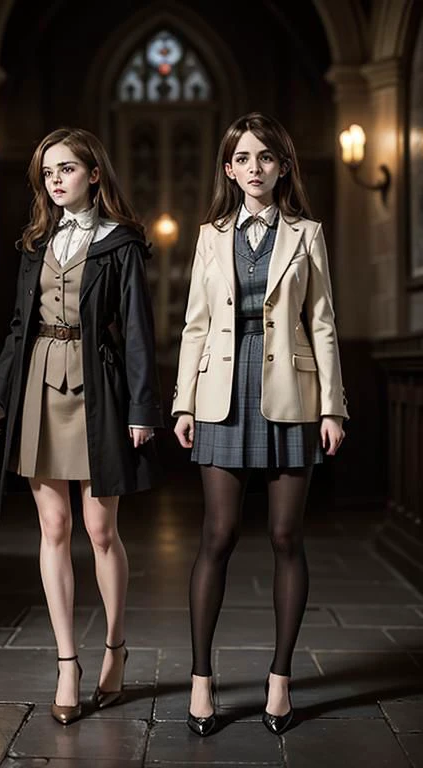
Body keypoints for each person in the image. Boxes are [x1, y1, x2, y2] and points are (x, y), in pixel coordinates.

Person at [0, 127, 163, 726]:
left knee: (100, 529)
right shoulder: (37, 243)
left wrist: (142, 409)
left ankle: (114, 645)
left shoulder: (122, 245)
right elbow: (16, 328)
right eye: (48, 173)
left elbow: (137, 332)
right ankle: (66, 663)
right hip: (36, 386)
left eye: (66, 169)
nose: (55, 181)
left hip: (99, 389)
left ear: (95, 174)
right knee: (53, 526)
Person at [172, 111, 348, 737]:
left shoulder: (308, 233)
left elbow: (322, 322)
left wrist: (333, 406)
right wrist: (183, 403)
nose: (254, 168)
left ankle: (280, 682)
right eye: (243, 158)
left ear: (283, 166)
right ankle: (200, 681)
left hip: (291, 393)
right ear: (229, 168)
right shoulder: (209, 236)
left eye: (266, 158)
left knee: (284, 538)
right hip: (221, 391)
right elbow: (195, 324)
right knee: (216, 537)